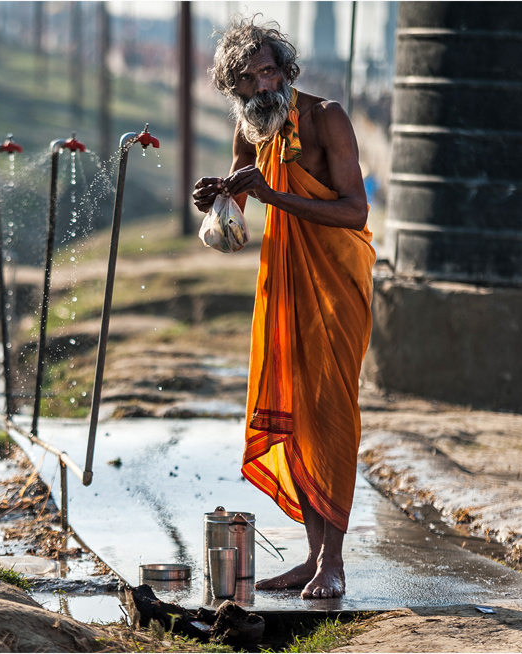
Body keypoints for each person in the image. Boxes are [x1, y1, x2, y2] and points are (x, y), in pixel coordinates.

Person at [193, 18, 376, 599]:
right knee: (296, 406)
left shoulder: (328, 118)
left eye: (269, 70)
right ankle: (311, 557)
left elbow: (355, 212)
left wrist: (273, 196)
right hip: (285, 277)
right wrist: (215, 198)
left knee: (331, 407)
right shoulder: (252, 129)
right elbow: (237, 210)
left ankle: (335, 563)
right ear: (235, 89)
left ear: (286, 70)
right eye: (248, 78)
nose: (262, 83)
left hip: (338, 278)